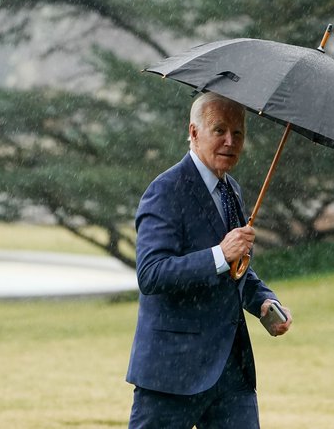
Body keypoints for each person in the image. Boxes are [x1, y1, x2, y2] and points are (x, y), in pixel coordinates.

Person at [126, 92, 293, 428]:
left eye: (239, 133)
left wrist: (263, 300)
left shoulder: (233, 190)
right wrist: (219, 253)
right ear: (194, 132)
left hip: (232, 371)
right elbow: (151, 274)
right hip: (173, 371)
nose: (230, 142)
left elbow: (236, 270)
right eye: (219, 130)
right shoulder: (165, 191)